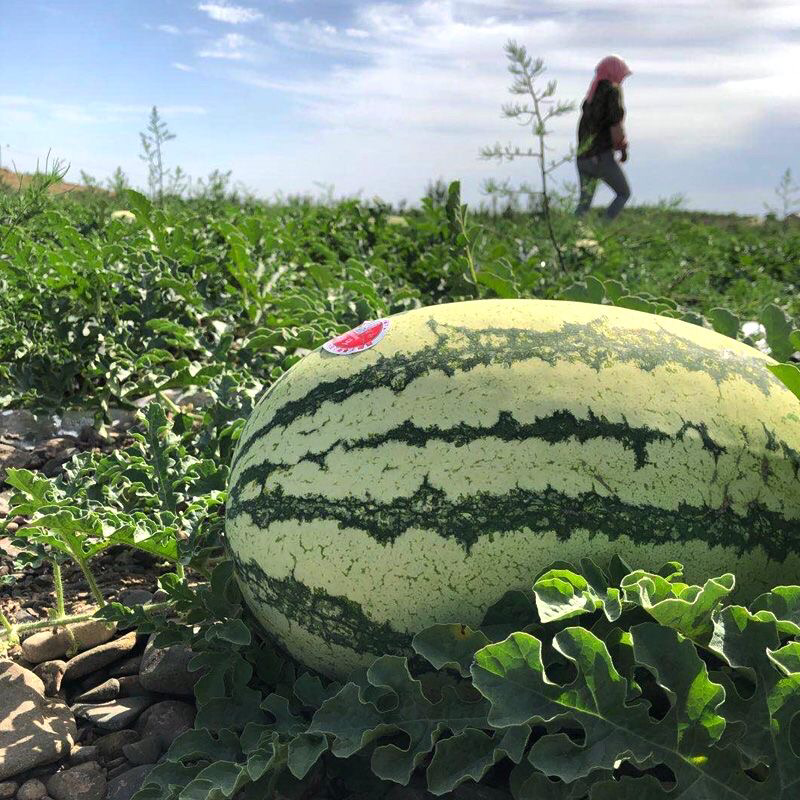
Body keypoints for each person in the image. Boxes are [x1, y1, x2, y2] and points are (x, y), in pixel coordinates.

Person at [574, 55, 632, 222]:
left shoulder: (590, 97)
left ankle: (570, 238)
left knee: (583, 204)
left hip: (583, 158)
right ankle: (601, 232)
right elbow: (616, 125)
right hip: (600, 156)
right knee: (623, 193)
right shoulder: (612, 91)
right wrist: (622, 148)